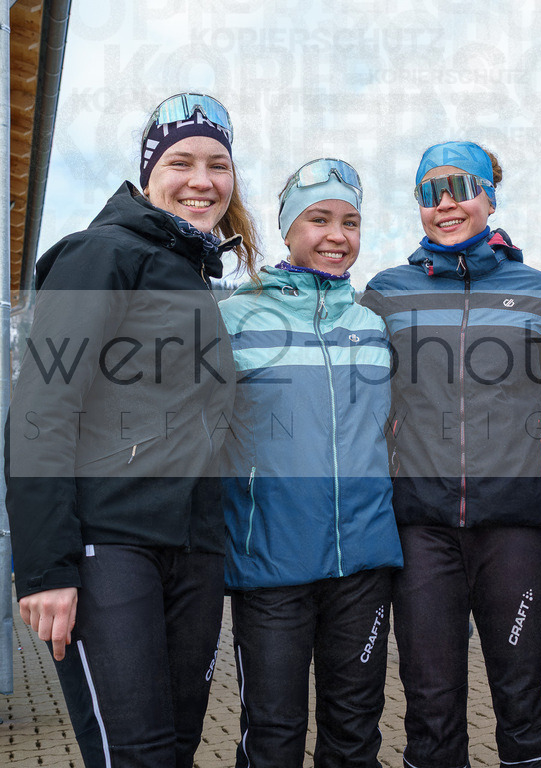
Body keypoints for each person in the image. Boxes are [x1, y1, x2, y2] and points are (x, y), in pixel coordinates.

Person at [6, 93, 259, 768]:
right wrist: (44, 569)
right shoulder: (100, 255)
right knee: (134, 755)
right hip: (110, 550)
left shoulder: (197, 278)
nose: (201, 181)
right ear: (150, 173)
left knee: (172, 752)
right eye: (182, 162)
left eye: (218, 164)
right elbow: (40, 410)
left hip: (194, 554)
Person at [361, 141, 541, 768]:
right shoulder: (386, 293)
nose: (445, 203)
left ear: (490, 197)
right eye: (429, 192)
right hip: (420, 527)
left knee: (523, 700)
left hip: (515, 526)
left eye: (462, 187)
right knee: (430, 704)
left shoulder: (540, 291)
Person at [218, 158, 402, 768]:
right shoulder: (234, 319)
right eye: (319, 218)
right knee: (272, 736)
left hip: (364, 565)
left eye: (350, 222)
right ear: (288, 229)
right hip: (270, 563)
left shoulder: (373, 327)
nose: (337, 235)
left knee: (355, 736)